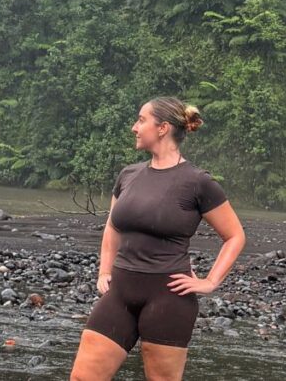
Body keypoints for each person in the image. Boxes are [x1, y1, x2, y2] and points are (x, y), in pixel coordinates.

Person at [70, 97, 246, 381]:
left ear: (163, 127)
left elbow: (235, 235)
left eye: (141, 120)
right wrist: (104, 269)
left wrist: (210, 281)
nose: (134, 127)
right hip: (120, 293)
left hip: (168, 298)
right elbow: (112, 227)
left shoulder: (197, 182)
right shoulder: (129, 175)